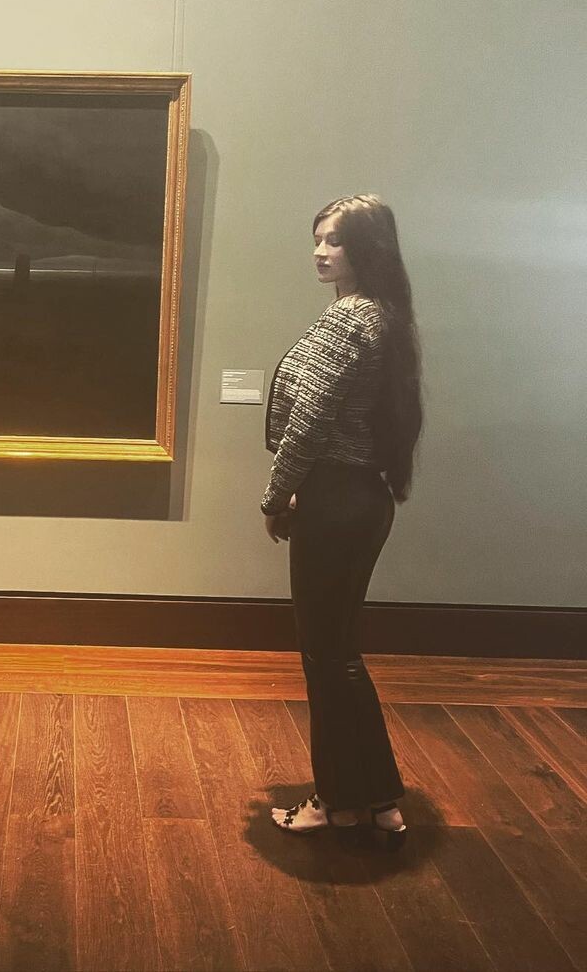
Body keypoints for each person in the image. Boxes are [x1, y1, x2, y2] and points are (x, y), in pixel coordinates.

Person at [261, 194, 423, 850]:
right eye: (318, 238)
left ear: (367, 248)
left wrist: (276, 497)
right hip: (364, 498)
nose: (321, 251)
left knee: (325, 657)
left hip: (332, 499)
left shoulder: (347, 321)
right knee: (340, 653)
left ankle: (335, 802)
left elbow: (308, 424)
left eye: (336, 240)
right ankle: (376, 799)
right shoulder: (384, 316)